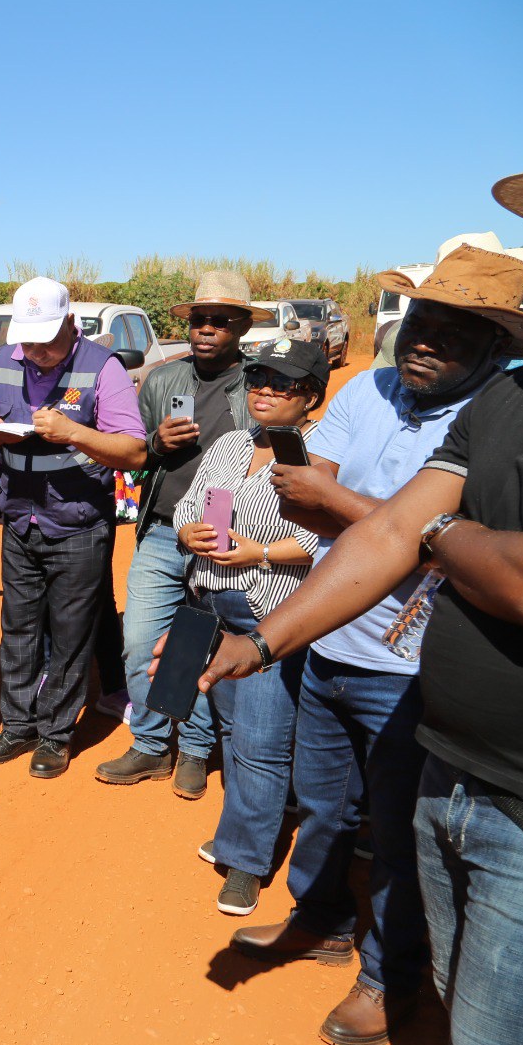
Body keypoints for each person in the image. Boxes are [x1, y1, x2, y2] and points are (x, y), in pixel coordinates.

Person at [205, 244, 519, 1045]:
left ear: (497, 347)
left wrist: (402, 526)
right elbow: (323, 516)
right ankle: (321, 921)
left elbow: (368, 517)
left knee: (399, 838)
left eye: (455, 331)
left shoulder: (487, 412)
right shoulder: (367, 390)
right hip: (331, 640)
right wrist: (376, 525)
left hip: (410, 667)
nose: (424, 341)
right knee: (325, 808)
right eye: (420, 320)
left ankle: (388, 978)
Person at [95, 271, 268, 797]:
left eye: (220, 321)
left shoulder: (258, 382)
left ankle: (194, 748)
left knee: (198, 644)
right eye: (199, 320)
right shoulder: (164, 380)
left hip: (222, 534)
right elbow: (135, 456)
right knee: (140, 642)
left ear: (240, 327)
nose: (206, 329)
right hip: (163, 528)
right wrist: (157, 443)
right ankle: (150, 744)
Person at [172, 339, 328, 915]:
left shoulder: (318, 458)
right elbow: (193, 504)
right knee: (232, 732)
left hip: (271, 614)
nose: (263, 390)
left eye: (280, 383)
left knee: (261, 742)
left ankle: (246, 860)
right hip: (214, 606)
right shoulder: (233, 445)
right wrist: (190, 532)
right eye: (258, 377)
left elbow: (324, 544)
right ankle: (252, 823)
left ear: (309, 396)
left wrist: (259, 554)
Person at [0, 277, 145, 779]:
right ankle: (18, 724)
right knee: (18, 628)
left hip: (79, 523)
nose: (37, 351)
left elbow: (133, 450)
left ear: (71, 323)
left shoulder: (101, 368)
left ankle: (55, 735)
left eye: (47, 339)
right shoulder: (5, 361)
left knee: (70, 633)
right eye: (28, 339)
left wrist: (73, 432)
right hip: (20, 518)